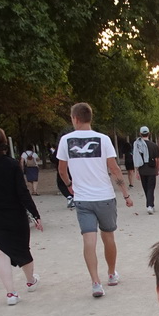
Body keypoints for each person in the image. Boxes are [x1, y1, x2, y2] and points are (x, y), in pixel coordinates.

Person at [57, 102, 133, 298]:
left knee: (88, 241)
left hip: (83, 198)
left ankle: (96, 283)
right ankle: (111, 273)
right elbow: (115, 169)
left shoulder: (66, 140)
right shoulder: (103, 139)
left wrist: (69, 185)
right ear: (90, 118)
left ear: (75, 118)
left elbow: (62, 170)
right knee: (108, 237)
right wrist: (125, 193)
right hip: (105, 197)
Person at [0, 127, 43, 305]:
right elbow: (22, 192)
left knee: (1, 253)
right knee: (22, 248)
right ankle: (30, 280)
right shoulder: (12, 164)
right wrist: (35, 214)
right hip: (15, 213)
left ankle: (11, 293)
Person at [133, 126, 159, 213]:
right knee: (151, 188)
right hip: (151, 169)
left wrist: (136, 171)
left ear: (140, 134)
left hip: (142, 169)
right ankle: (150, 205)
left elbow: (136, 158)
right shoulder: (154, 145)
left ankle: (150, 204)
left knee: (145, 187)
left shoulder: (137, 145)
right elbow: (157, 160)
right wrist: (157, 169)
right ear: (149, 133)